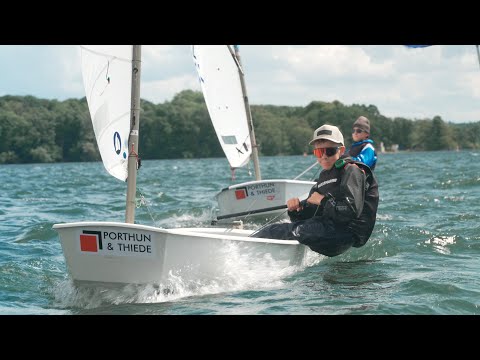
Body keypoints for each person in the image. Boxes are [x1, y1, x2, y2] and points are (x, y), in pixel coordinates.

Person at [250, 124, 379, 257]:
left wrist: (322, 201)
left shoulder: (352, 170)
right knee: (275, 229)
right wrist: (297, 210)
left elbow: (350, 211)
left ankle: (245, 254)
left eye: (329, 151)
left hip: (345, 233)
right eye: (318, 152)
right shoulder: (323, 178)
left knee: (274, 232)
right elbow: (310, 216)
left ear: (341, 150)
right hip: (330, 230)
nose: (324, 156)